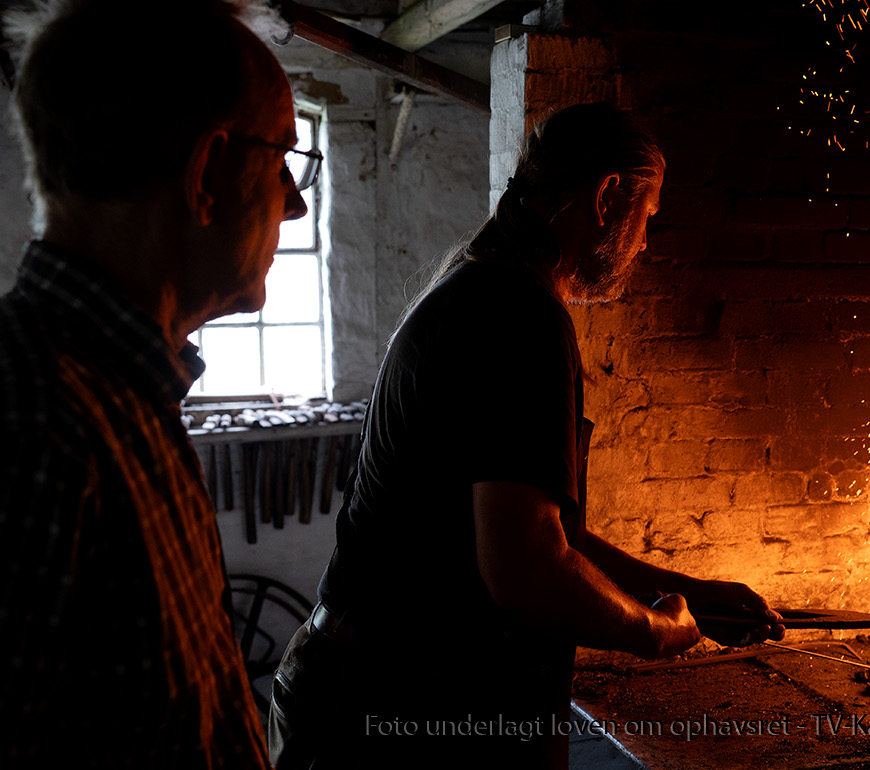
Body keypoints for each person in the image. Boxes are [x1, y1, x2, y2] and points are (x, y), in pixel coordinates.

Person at [269, 103, 782, 769]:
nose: (645, 243)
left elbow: (537, 528)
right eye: (647, 217)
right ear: (606, 198)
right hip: (402, 713)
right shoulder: (519, 316)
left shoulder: (479, 286)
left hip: (374, 690)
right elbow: (527, 568)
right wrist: (652, 630)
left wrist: (689, 591)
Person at [0, 1, 310, 766]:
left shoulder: (121, 391)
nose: (296, 204)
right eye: (280, 162)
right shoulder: (34, 421)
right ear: (206, 173)